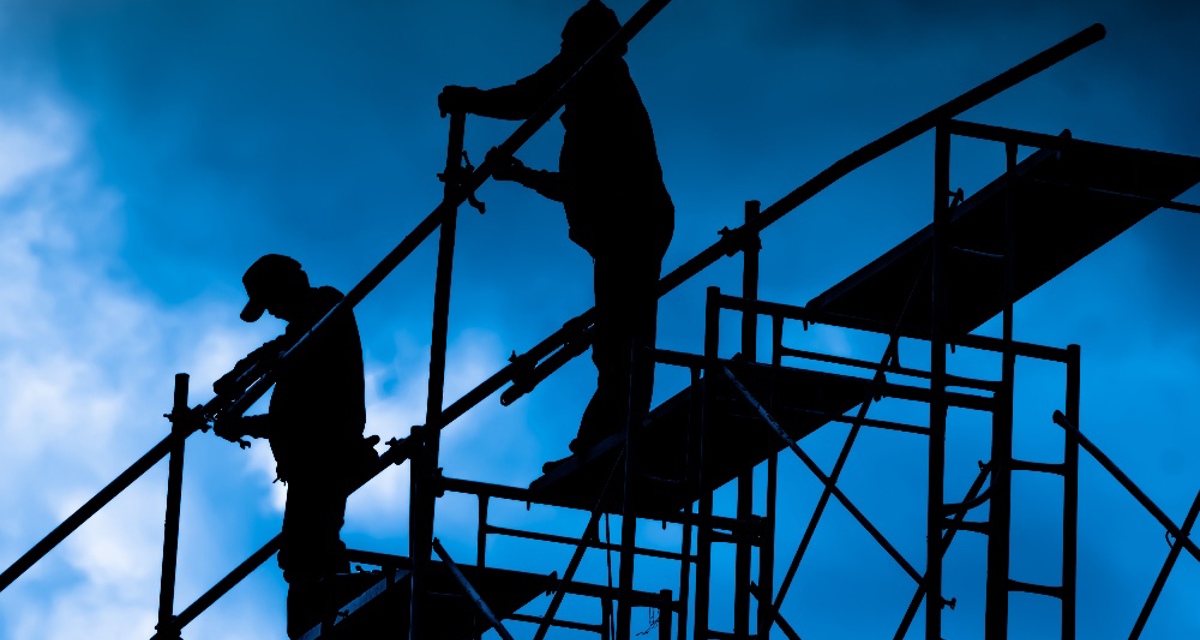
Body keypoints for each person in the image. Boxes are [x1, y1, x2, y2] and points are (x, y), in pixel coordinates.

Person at [439, 0, 674, 470]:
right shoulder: (603, 90)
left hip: (630, 222)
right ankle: (612, 426)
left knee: (620, 334)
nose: (563, 50)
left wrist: (470, 98)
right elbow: (581, 186)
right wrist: (521, 174)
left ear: (584, 42)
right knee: (622, 330)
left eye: (568, 43)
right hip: (629, 221)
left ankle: (614, 430)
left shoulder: (595, 71)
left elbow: (528, 98)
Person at [212, 253, 377, 639]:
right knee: (310, 548)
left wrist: (243, 421)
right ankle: (327, 616)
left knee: (306, 553)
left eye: (270, 301)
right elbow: (277, 350)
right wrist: (237, 378)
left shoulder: (323, 311)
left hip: (324, 451)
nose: (270, 312)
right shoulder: (303, 333)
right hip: (313, 455)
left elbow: (300, 418)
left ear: (287, 285)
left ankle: (328, 621)